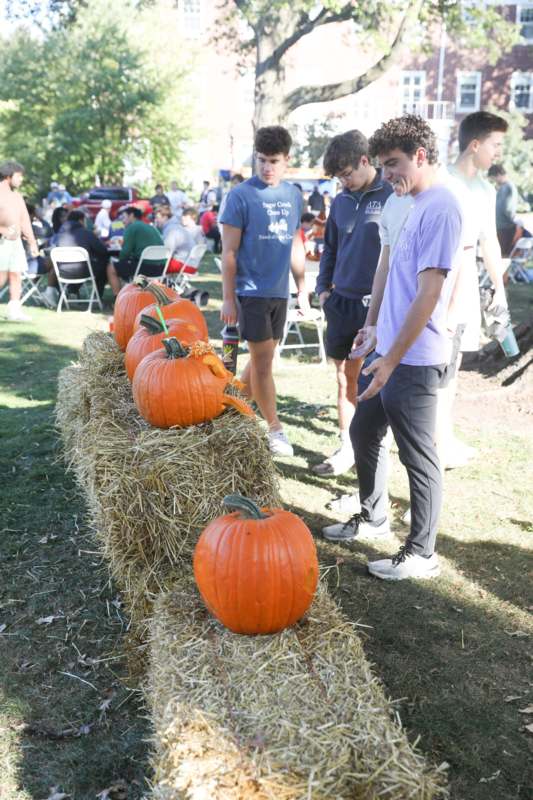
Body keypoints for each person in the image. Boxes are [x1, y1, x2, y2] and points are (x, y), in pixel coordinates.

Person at [323, 115, 463, 583]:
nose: (386, 176)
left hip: (416, 360)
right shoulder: (415, 202)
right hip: (389, 353)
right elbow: (395, 276)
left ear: (421, 156)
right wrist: (374, 330)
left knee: (418, 455)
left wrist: (392, 360)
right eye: (382, 167)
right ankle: (374, 516)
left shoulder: (442, 206)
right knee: (363, 433)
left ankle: (422, 552)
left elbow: (428, 295)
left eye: (393, 165)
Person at [220, 124, 309, 457]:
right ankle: (275, 429)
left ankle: (230, 408)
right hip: (250, 291)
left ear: (286, 160)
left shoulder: (292, 195)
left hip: (279, 292)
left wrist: (302, 287)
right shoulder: (240, 196)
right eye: (261, 160)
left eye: (273, 161)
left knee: (263, 360)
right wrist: (228, 298)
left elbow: (296, 242)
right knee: (263, 365)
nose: (267, 168)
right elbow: (228, 253)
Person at [313, 130, 393, 476]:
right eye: (339, 177)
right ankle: (346, 445)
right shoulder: (342, 200)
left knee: (370, 381)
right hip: (340, 302)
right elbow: (329, 246)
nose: (344, 182)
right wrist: (323, 289)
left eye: (347, 173)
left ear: (365, 160)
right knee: (344, 379)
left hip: (375, 306)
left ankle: (372, 449)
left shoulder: (391, 193)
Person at [444, 111, 509, 466]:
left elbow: (490, 243)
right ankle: (433, 440)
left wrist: (499, 289)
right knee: (435, 365)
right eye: (495, 145)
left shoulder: (486, 189)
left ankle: (443, 435)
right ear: (475, 144)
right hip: (438, 285)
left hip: (467, 285)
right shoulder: (442, 181)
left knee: (452, 365)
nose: (498, 152)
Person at [0, 160, 39, 322]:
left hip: (16, 243)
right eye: (19, 176)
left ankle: (14, 310)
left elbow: (24, 221)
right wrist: (2, 230)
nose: (21, 180)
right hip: (2, 241)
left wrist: (32, 242)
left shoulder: (17, 197)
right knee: (1, 276)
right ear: (8, 176)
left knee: (16, 274)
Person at [54, 209, 113, 301]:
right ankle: (96, 297)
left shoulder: (60, 234)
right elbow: (102, 250)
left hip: (63, 271)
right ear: (81, 220)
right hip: (83, 270)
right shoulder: (86, 233)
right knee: (104, 264)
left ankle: (72, 290)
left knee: (80, 265)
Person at [107, 206, 165, 289]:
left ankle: (118, 298)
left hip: (144, 268)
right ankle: (139, 287)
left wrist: (120, 260)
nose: (122, 221)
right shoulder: (151, 227)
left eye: (124, 217)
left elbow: (125, 252)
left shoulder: (132, 227)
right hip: (160, 269)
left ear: (131, 215)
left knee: (111, 268)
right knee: (129, 269)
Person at [487, 164, 519, 256]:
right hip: (502, 228)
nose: (494, 182)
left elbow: (507, 209)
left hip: (505, 228)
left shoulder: (507, 187)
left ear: (498, 175)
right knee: (502, 255)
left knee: (503, 256)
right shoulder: (504, 187)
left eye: (493, 179)